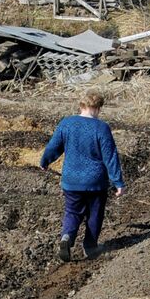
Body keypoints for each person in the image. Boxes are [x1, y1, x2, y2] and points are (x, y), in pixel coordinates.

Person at [39, 90, 125, 261]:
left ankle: (67, 237)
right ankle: (90, 247)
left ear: (81, 106)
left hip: (71, 179)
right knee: (94, 214)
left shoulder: (67, 123)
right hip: (96, 181)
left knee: (72, 212)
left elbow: (53, 146)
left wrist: (45, 161)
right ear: (98, 108)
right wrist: (118, 181)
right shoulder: (101, 128)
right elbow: (110, 156)